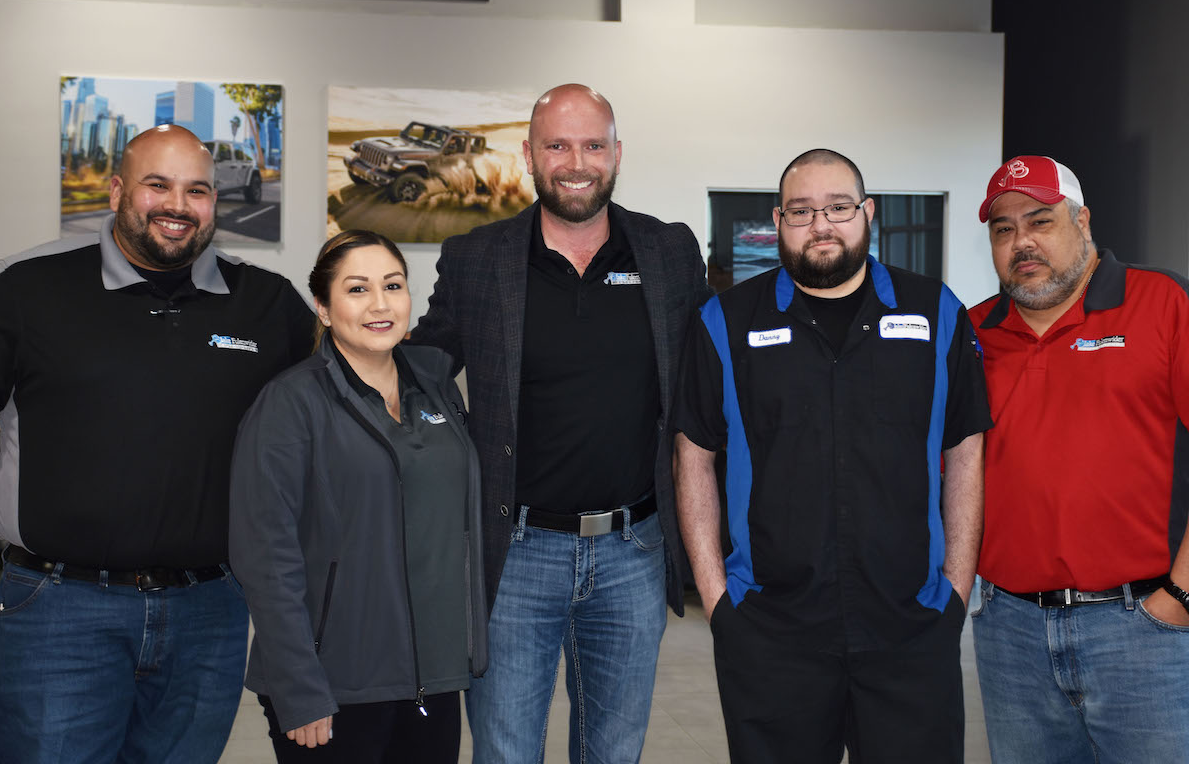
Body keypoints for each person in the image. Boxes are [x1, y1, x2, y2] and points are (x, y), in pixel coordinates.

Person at [0, 124, 315, 763]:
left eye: (197, 190)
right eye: (156, 185)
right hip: (62, 610)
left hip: (211, 613)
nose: (177, 205)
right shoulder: (26, 289)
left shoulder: (268, 305)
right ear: (116, 192)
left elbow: (338, 414)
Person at [409, 83, 712, 763]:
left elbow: (715, 370)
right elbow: (418, 368)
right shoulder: (477, 258)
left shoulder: (667, 253)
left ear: (617, 153)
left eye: (592, 145)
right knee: (506, 750)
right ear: (529, 156)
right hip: (515, 555)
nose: (576, 162)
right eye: (557, 145)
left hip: (633, 551)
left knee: (613, 751)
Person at [674, 149, 992, 763]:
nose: (821, 224)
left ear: (867, 213)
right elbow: (693, 458)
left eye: (839, 207)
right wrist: (719, 604)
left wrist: (953, 592)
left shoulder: (935, 313)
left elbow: (966, 451)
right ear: (779, 220)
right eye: (801, 211)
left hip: (910, 629)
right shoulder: (726, 322)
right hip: (770, 633)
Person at [229, 230, 487, 762]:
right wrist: (298, 688)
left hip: (433, 679)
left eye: (393, 285)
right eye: (356, 289)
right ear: (322, 308)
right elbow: (265, 557)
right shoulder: (290, 404)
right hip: (333, 685)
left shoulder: (436, 385)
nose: (379, 304)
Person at [968, 155, 1189, 763]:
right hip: (1010, 634)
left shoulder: (1163, 302)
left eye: (1040, 221)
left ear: (1082, 220)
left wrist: (1181, 598)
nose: (1022, 243)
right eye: (1003, 229)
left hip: (1144, 629)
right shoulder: (972, 334)